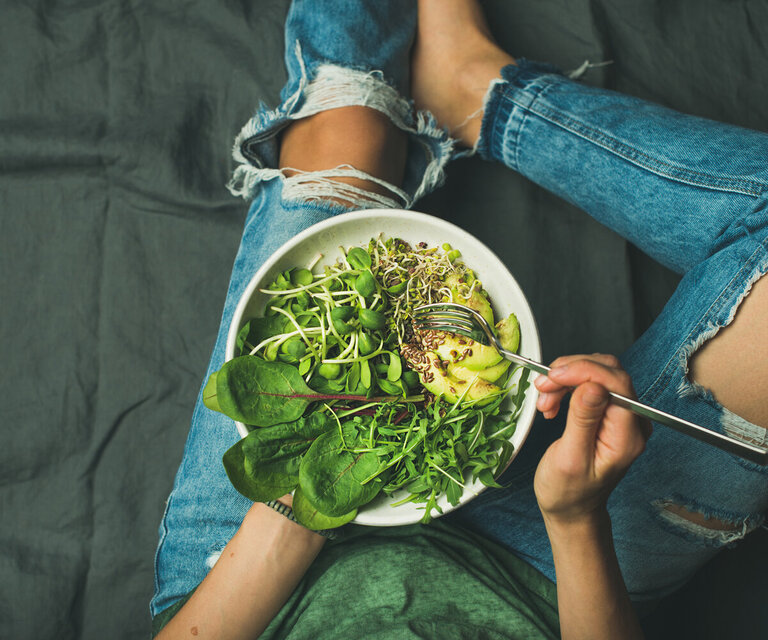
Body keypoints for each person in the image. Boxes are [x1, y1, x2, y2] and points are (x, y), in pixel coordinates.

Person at [150, 1, 768, 638]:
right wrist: (577, 519)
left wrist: (292, 508)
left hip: (254, 588)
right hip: (542, 580)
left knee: (347, 132)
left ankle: (463, 86)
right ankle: (486, 95)